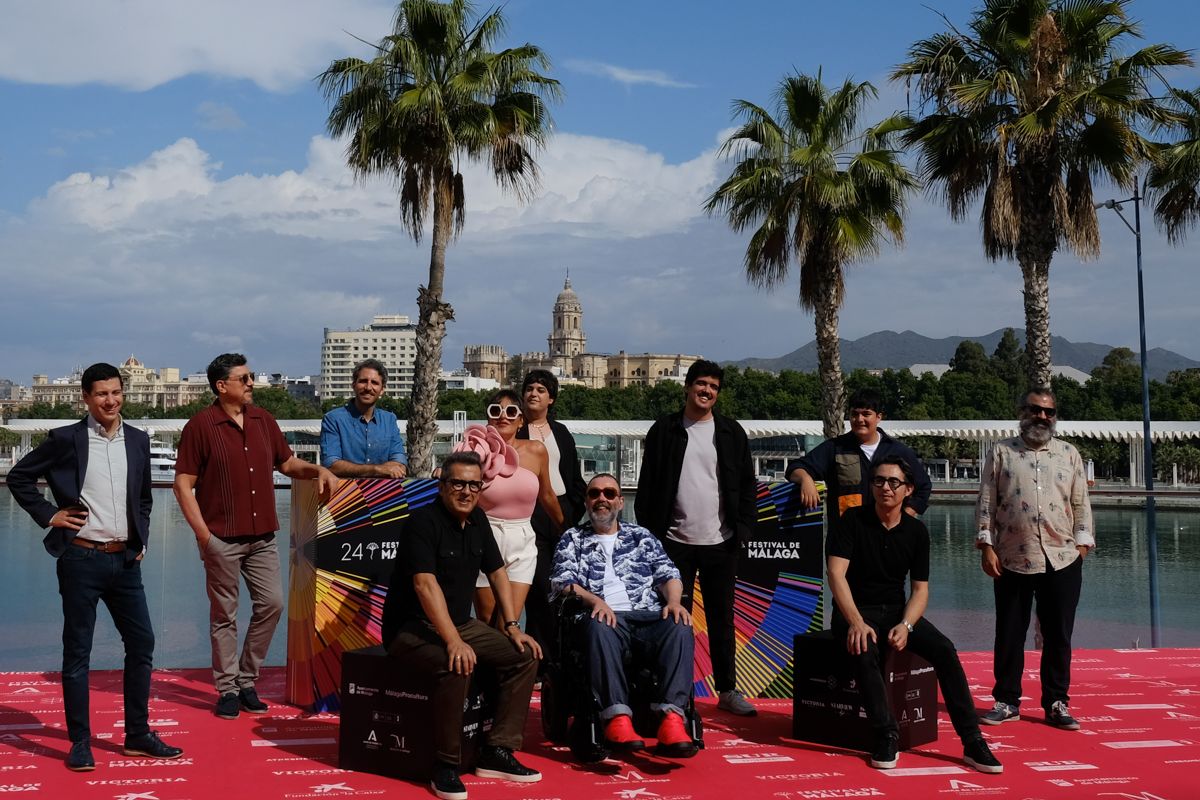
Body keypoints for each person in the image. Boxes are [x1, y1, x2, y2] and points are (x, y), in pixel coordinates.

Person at [7, 363, 183, 771]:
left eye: (117, 392)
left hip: (125, 562)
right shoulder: (66, 439)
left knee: (142, 645)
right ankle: (80, 742)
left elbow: (143, 498)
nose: (111, 401)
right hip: (80, 558)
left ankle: (138, 735)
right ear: (85, 397)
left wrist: (142, 539)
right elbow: (19, 477)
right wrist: (50, 514)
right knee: (78, 653)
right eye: (102, 394)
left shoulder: (138, 441)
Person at [173, 353, 338, 720]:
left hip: (263, 536)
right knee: (224, 616)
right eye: (244, 378)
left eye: (250, 378)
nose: (251, 384)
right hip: (221, 537)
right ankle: (228, 689)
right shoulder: (200, 426)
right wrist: (204, 537)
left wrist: (317, 469)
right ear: (222, 386)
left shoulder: (265, 420)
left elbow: (287, 464)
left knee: (273, 605)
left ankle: (246, 679)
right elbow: (183, 485)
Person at [380, 452, 543, 800]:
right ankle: (446, 765)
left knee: (524, 655)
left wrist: (513, 625)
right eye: (458, 483)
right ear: (442, 487)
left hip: (458, 624)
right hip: (410, 629)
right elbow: (426, 585)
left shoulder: (479, 520)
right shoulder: (422, 523)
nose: (466, 491)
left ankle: (495, 751)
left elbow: (498, 572)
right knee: (457, 664)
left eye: (473, 484)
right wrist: (452, 641)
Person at [828, 457, 1002, 773]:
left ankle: (972, 741)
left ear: (908, 490)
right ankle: (886, 735)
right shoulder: (851, 520)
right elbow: (836, 575)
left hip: (897, 612)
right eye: (878, 481)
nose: (885, 488)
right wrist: (855, 621)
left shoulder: (916, 532)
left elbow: (920, 591)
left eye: (893, 482)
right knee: (864, 646)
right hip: (853, 610)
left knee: (945, 649)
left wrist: (907, 625)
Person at [634, 359, 758, 716]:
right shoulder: (665, 430)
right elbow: (647, 488)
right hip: (674, 544)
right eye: (701, 384)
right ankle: (677, 692)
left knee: (722, 620)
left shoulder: (731, 432)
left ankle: (728, 690)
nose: (706, 391)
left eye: (714, 387)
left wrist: (743, 528)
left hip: (721, 542)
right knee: (675, 620)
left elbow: (747, 485)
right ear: (687, 387)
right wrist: (651, 536)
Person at [550, 473, 698, 757]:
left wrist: (675, 601)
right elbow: (561, 581)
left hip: (646, 616)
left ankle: (672, 719)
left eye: (608, 493)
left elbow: (668, 573)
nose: (601, 499)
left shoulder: (641, 536)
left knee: (679, 624)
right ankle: (616, 718)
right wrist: (595, 600)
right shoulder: (573, 538)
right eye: (594, 494)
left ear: (619, 500)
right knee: (598, 623)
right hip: (604, 619)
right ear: (586, 501)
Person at [976, 388, 1094, 730]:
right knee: (1010, 633)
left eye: (1048, 412)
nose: (1041, 417)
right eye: (1035, 410)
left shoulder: (1069, 454)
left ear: (1054, 417)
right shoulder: (1001, 452)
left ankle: (1056, 702)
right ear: (1022, 412)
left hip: (1062, 559)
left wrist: (1081, 548)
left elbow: (1081, 503)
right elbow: (986, 500)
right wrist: (986, 545)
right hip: (1012, 556)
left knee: (1059, 635)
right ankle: (1007, 700)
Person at [453, 389, 563, 627]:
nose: (503, 416)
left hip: (522, 539)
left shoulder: (536, 451)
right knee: (486, 620)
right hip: (483, 535)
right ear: (488, 418)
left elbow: (546, 494)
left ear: (521, 419)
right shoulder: (474, 454)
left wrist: (567, 529)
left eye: (511, 411)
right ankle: (487, 665)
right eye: (496, 411)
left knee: (508, 621)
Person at [516, 369, 586, 670]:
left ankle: (564, 656)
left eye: (541, 390)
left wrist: (570, 512)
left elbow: (572, 477)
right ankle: (539, 660)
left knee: (565, 588)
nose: (534, 393)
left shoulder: (561, 432)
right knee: (537, 588)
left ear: (551, 398)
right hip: (529, 513)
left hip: (561, 512)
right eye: (529, 388)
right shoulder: (515, 432)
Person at [786, 387, 931, 527]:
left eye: (866, 414)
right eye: (854, 414)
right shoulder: (835, 448)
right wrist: (806, 479)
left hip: (886, 538)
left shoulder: (898, 451)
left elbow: (923, 486)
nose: (859, 419)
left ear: (879, 417)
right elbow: (795, 468)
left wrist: (904, 517)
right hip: (845, 538)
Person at [320, 358, 408, 478]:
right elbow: (331, 464)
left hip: (383, 493)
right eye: (363, 381)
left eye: (375, 383)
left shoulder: (389, 420)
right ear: (354, 385)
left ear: (382, 390)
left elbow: (400, 462)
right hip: (346, 494)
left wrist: (386, 469)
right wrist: (377, 469)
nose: (368, 387)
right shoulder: (333, 420)